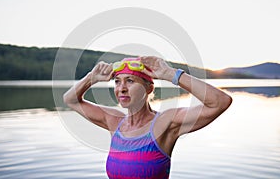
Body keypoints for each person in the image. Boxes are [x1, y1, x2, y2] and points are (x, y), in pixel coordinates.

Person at [63, 56, 232, 179]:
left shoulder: (165, 123)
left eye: (130, 81)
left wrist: (171, 74)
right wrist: (90, 78)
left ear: (149, 89)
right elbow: (70, 99)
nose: (121, 88)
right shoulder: (114, 121)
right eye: (117, 81)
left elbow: (220, 102)